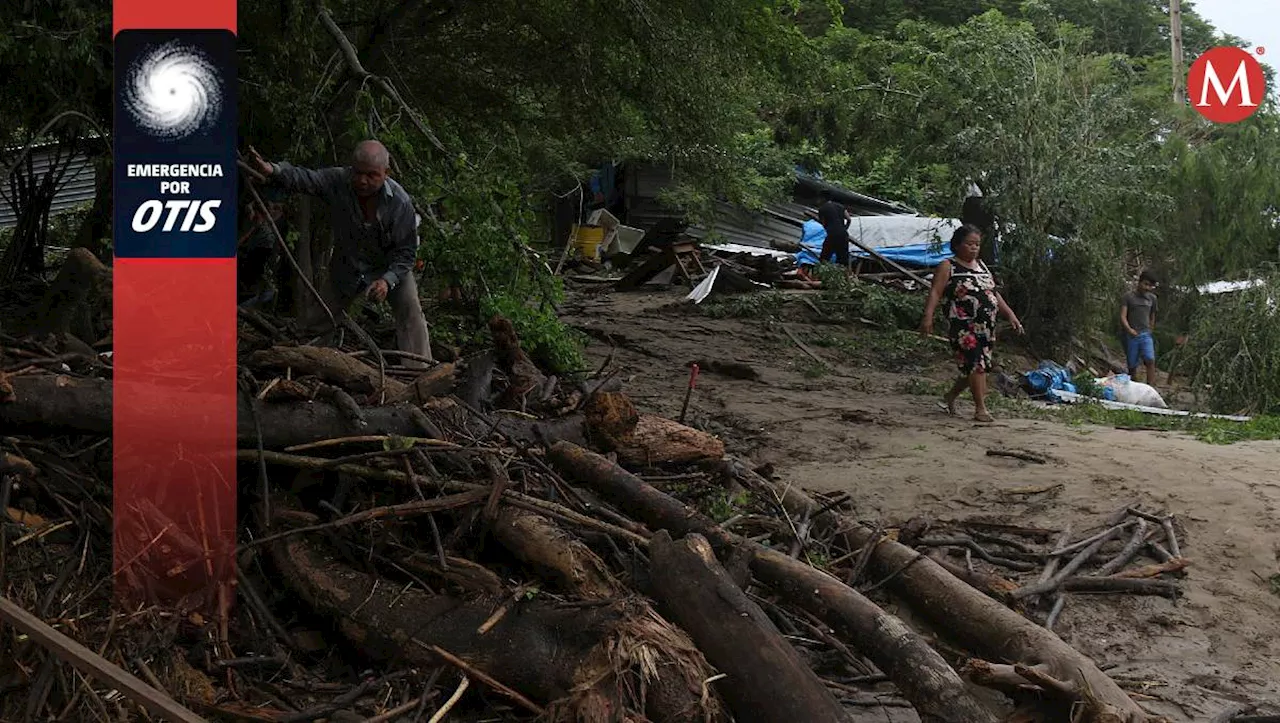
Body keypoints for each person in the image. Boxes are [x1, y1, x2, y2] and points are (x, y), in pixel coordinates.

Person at [245, 141, 433, 367]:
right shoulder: (338, 181)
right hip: (348, 267)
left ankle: (420, 374)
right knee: (318, 320)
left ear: (386, 173)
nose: (363, 181)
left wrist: (386, 280)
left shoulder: (400, 203)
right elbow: (306, 178)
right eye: (358, 173)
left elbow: (407, 253)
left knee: (410, 312)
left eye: (371, 175)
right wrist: (273, 170)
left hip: (389, 267)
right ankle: (305, 363)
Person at [920, 224, 1024, 423]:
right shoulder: (947, 266)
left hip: (986, 326)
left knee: (979, 365)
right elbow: (935, 292)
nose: (974, 248)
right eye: (969, 244)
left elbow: (993, 293)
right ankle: (980, 409)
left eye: (977, 244)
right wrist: (928, 316)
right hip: (963, 325)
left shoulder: (982, 266)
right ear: (958, 245)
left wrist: (1010, 315)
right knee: (977, 364)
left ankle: (950, 397)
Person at [1120, 270, 1159, 385]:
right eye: (1145, 284)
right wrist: (1129, 330)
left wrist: (1150, 330)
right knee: (1132, 364)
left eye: (1150, 286)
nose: (1147, 288)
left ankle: (1150, 387)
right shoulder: (1128, 297)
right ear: (1139, 282)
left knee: (1150, 360)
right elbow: (1123, 316)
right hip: (1131, 335)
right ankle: (1133, 386)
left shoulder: (1152, 299)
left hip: (1145, 334)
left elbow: (1152, 315)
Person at [816, 191, 850, 268]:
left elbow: (823, 224)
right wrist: (844, 228)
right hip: (844, 234)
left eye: (818, 199)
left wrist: (829, 229)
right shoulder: (840, 206)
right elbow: (849, 219)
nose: (817, 201)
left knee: (825, 257)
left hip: (832, 234)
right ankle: (843, 275)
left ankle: (822, 272)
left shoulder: (822, 209)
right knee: (842, 258)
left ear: (823, 199)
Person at [794, 211, 826, 279]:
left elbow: (802, 240)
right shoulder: (830, 225)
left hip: (808, 249)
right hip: (818, 251)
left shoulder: (808, 224)